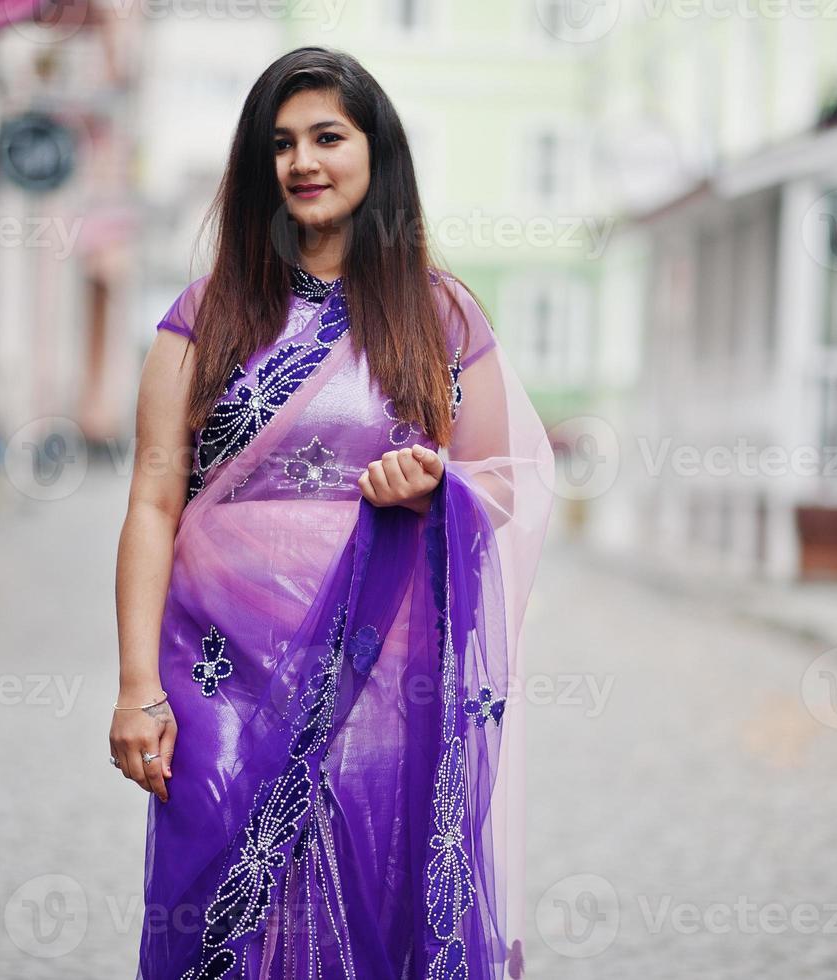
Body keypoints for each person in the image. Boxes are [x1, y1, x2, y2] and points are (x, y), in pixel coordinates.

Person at [112, 46, 555, 980]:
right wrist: (135, 688)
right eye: (280, 144)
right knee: (218, 901)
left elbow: (505, 480)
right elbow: (154, 501)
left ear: (374, 152)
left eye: (327, 137)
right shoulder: (207, 315)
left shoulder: (439, 317)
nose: (302, 162)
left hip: (381, 672)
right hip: (217, 668)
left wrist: (435, 488)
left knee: (369, 893)